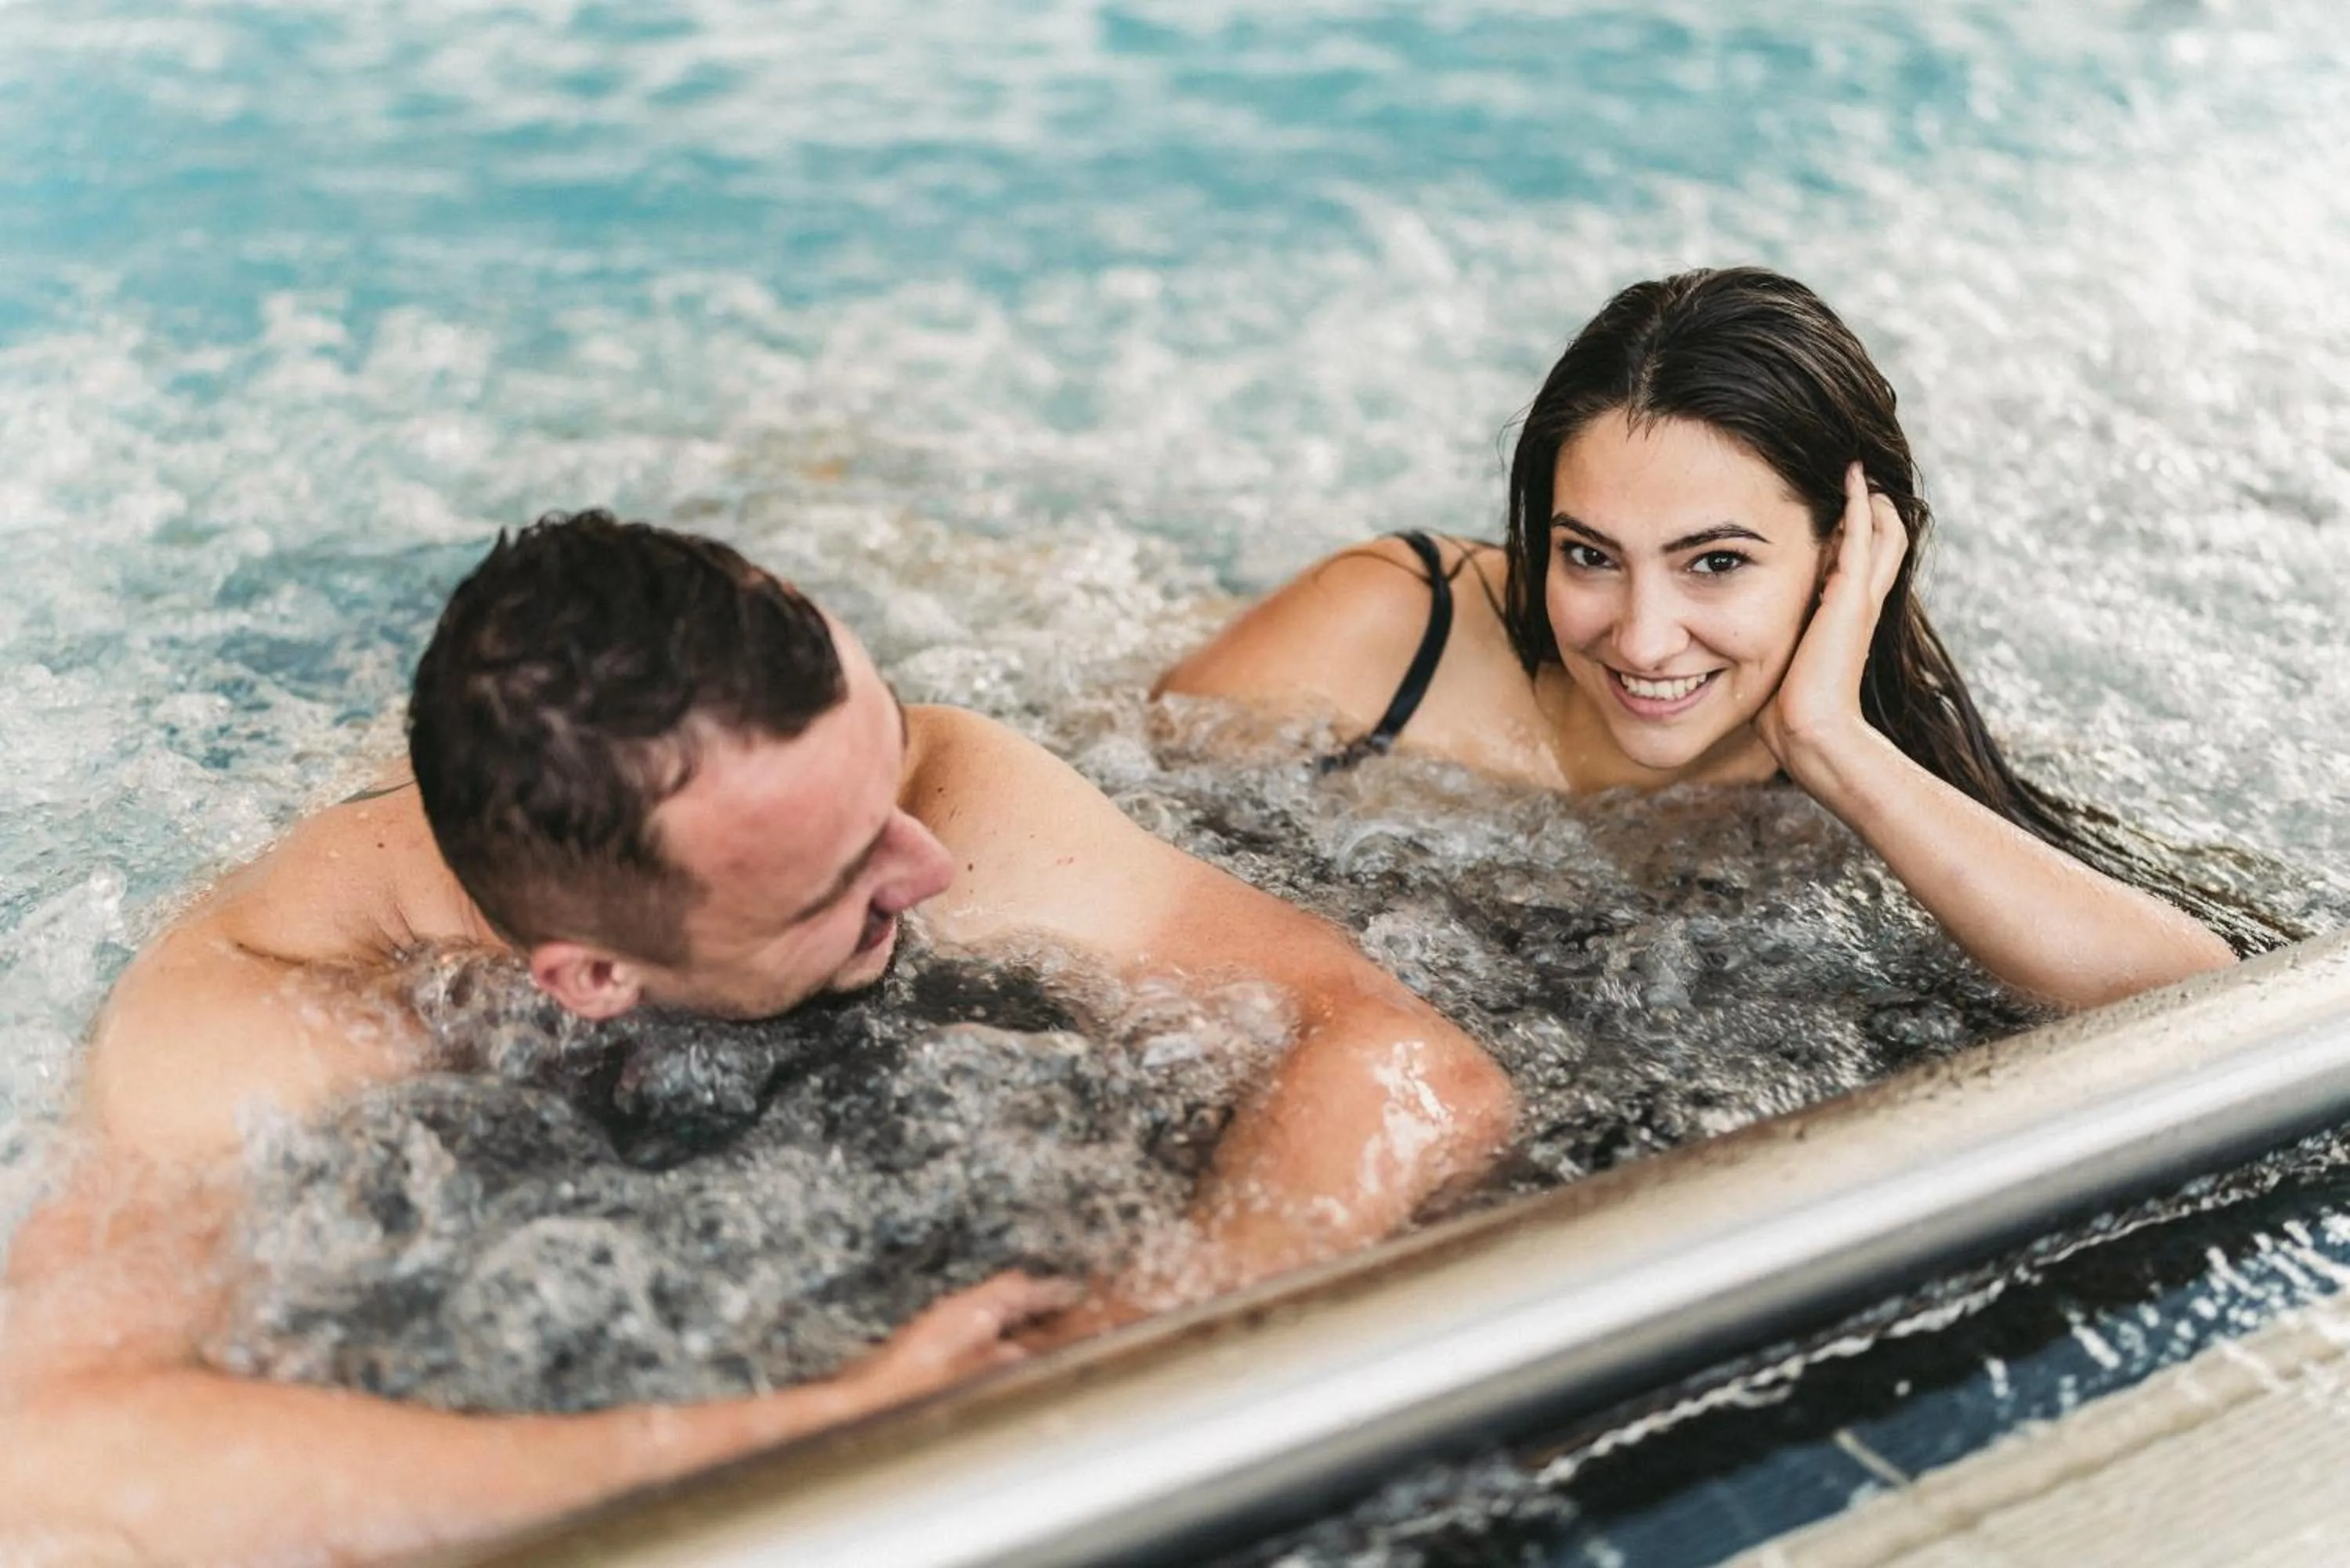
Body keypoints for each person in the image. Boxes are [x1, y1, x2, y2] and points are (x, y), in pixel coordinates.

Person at [0, 513, 1515, 1565]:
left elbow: (1408, 1067)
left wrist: (1127, 1342)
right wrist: (803, 1436)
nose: (928, 867)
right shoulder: (279, 1020)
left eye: (887, 781)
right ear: (589, 976)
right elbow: (52, 1461)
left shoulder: (932, 787)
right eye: (840, 873)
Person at [1158, 266, 2258, 1012]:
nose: (1640, 638)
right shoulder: (1393, 630)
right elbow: (1104, 835)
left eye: (1716, 562)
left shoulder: (1902, 784)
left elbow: (2206, 1013)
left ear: (1847, 555)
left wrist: (1832, 745)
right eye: (1589, 554)